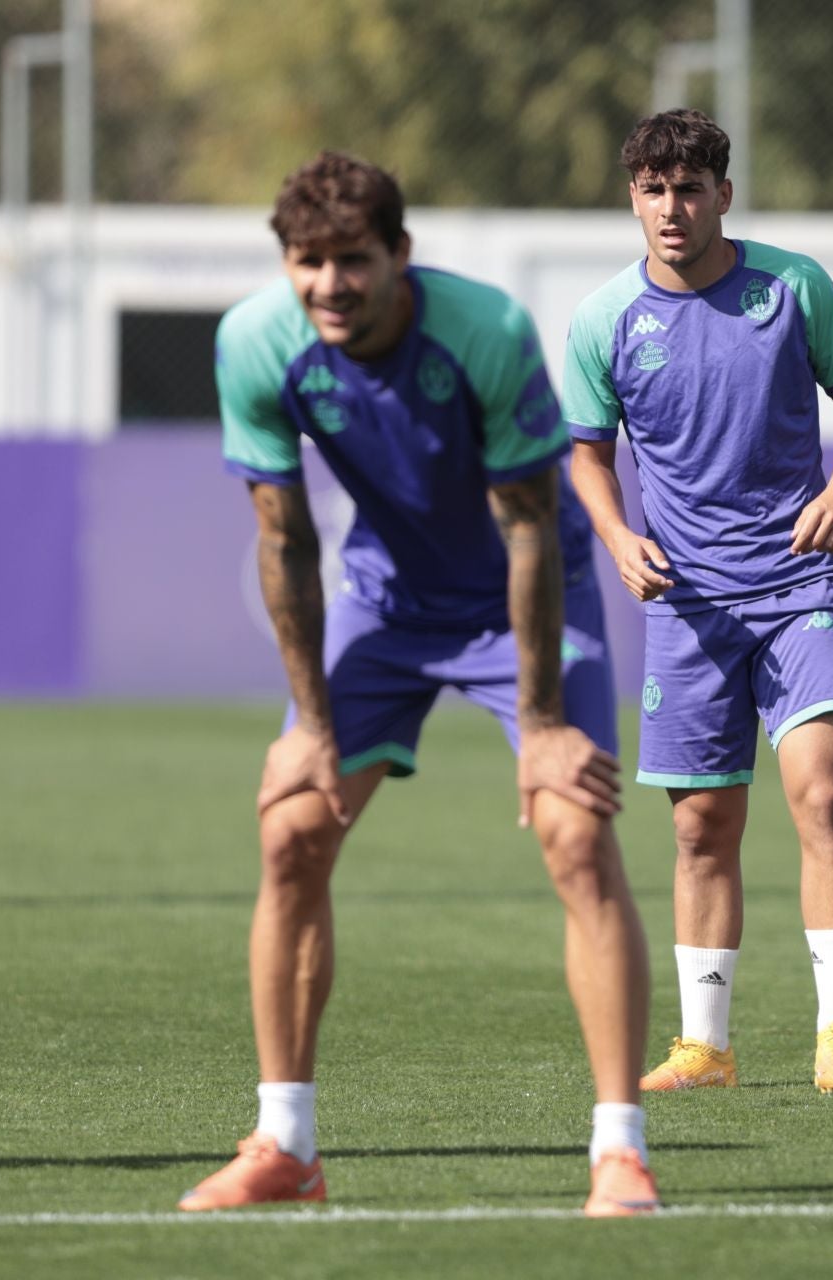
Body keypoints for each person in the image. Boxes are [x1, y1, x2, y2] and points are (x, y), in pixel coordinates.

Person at [180, 151, 658, 1217]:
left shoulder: (485, 332)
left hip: (523, 596)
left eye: (354, 260)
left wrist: (541, 725)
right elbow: (284, 537)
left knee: (575, 830)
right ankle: (286, 1146)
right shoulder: (257, 343)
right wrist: (309, 721)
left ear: (401, 255)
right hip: (383, 603)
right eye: (308, 262)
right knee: (291, 827)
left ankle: (620, 1149)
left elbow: (533, 528)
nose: (330, 285)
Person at [562, 110, 833, 1094]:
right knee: (701, 826)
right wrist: (618, 538)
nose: (672, 208)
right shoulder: (602, 320)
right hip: (689, 605)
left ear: (723, 196)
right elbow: (584, 452)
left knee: (822, 793)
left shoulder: (793, 286)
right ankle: (705, 1046)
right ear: (633, 197)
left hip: (798, 584)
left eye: (690, 188)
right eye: (654, 190)